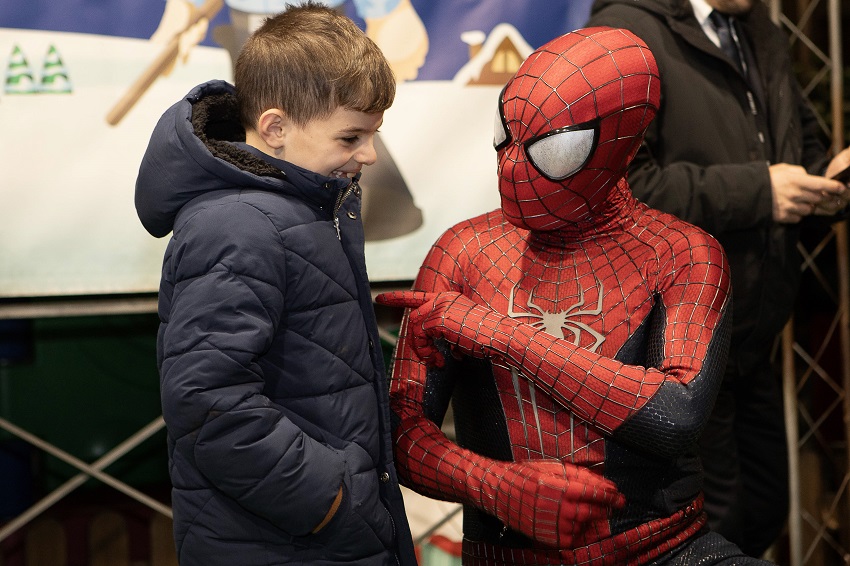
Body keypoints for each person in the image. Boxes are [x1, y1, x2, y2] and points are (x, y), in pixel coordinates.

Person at [377, 26, 773, 565]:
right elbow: (399, 430)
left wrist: (500, 335)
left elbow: (677, 416)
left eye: (553, 149)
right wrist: (496, 486)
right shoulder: (463, 252)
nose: (513, 166)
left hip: (665, 549)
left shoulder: (681, 253)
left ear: (624, 145)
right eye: (506, 135)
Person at [133, 3, 417, 565]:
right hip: (285, 540)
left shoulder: (301, 209)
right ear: (275, 128)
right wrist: (334, 501)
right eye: (351, 137)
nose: (368, 154)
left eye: (372, 134)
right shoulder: (236, 227)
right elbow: (209, 405)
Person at [586, 0, 850, 556]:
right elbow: (621, 187)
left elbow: (800, 149)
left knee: (766, 506)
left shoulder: (760, 30)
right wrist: (759, 191)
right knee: (713, 526)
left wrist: (829, 183)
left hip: (753, 335)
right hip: (679, 347)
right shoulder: (626, 31)